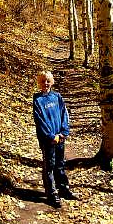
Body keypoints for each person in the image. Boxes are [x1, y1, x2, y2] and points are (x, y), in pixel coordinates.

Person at [33, 70, 77, 208]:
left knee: (60, 164)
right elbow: (40, 121)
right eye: (42, 81)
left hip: (61, 137)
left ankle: (63, 189)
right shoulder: (38, 100)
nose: (45, 83)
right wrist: (51, 136)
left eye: (48, 81)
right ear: (39, 83)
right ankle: (52, 193)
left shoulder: (57, 97)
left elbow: (64, 114)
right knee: (49, 166)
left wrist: (64, 132)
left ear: (52, 82)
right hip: (48, 139)